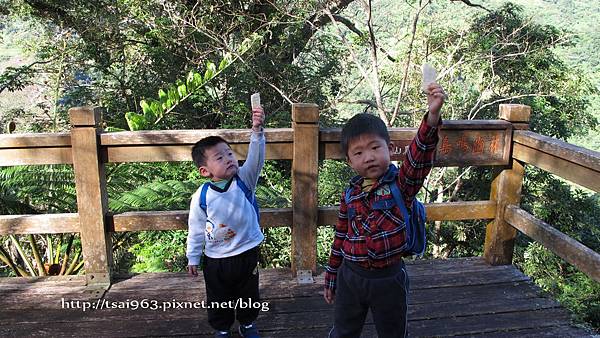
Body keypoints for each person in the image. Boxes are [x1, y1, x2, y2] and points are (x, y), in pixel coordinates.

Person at [324, 83, 446, 338]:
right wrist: (332, 275)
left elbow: (418, 156)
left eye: (375, 147)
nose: (368, 157)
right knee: (344, 331)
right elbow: (340, 237)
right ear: (349, 161)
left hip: (389, 279)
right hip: (350, 276)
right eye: (358, 152)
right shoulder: (350, 193)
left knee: (392, 332)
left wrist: (432, 118)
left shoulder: (402, 185)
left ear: (389, 149)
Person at [187, 104, 265, 338]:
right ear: (205, 171)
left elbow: (256, 158)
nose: (229, 159)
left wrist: (257, 131)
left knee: (249, 294)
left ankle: (247, 324)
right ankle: (222, 329)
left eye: (230, 153)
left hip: (247, 252)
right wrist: (193, 256)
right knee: (218, 297)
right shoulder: (201, 197)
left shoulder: (244, 181)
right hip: (216, 260)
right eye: (220, 157)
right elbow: (196, 230)